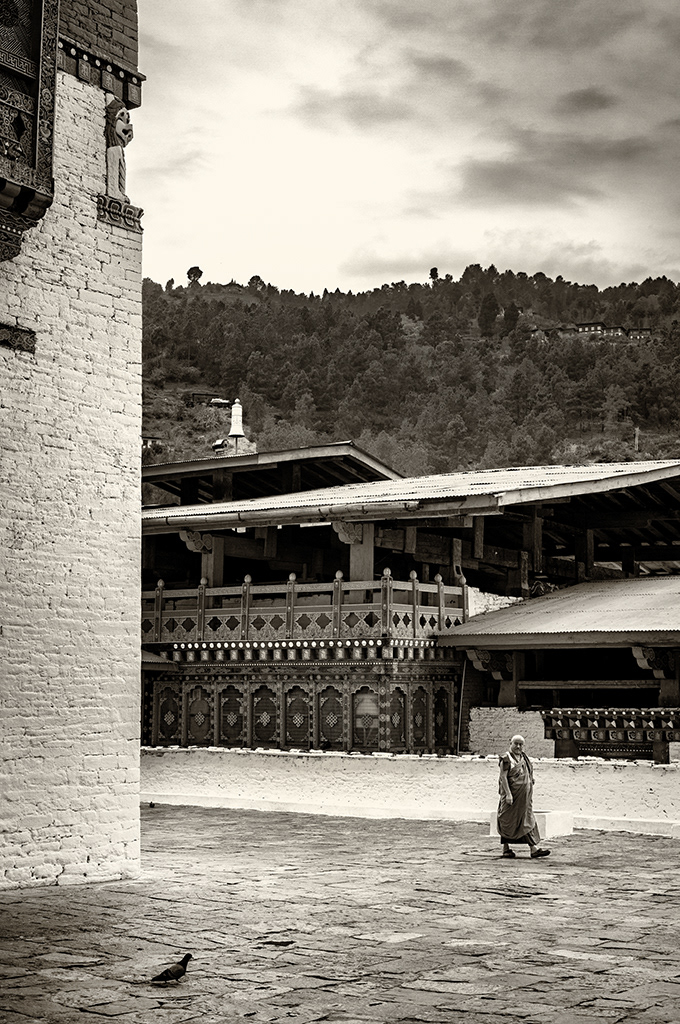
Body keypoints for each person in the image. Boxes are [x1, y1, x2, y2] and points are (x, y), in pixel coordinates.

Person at [497, 734, 550, 859]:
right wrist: (508, 794)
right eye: (516, 743)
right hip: (512, 797)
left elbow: (527, 771)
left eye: (521, 744)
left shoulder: (523, 757)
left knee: (527, 820)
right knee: (507, 820)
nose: (518, 746)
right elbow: (503, 777)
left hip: (524, 798)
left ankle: (533, 848)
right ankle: (506, 849)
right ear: (510, 743)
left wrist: (530, 779)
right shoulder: (506, 758)